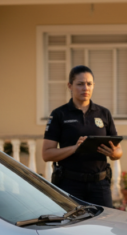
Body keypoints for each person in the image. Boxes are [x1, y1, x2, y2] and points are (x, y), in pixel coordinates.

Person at [43, 65, 122, 207]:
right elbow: (47, 154)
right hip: (70, 185)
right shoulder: (59, 114)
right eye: (80, 84)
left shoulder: (104, 113)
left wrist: (114, 153)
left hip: (100, 185)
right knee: (71, 227)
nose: (85, 88)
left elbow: (118, 151)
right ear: (70, 86)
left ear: (93, 86)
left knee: (104, 227)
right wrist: (76, 148)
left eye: (89, 84)